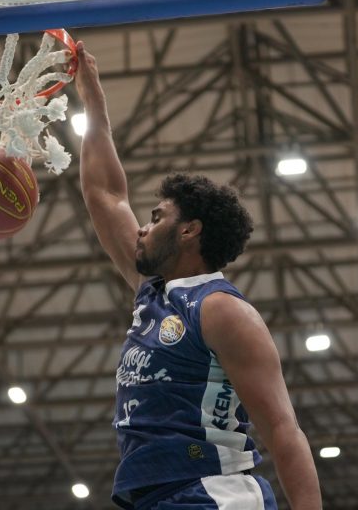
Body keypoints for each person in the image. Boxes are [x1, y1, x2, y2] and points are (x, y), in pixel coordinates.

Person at [74, 40, 323, 510]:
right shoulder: (153, 293)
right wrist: (93, 102)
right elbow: (104, 194)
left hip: (213, 492)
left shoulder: (221, 309)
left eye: (156, 217)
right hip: (156, 496)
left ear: (189, 230)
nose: (142, 228)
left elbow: (283, 430)